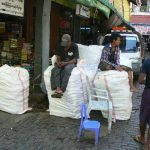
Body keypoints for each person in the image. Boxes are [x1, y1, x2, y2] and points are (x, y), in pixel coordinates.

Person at [51, 34, 79, 98]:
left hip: (71, 63)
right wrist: (58, 62)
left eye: (66, 44)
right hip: (62, 62)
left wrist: (65, 63)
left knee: (67, 69)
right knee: (55, 69)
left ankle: (62, 89)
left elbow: (74, 60)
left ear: (70, 41)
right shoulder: (60, 45)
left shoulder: (74, 46)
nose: (64, 46)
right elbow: (58, 56)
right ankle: (57, 88)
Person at [134, 59, 150, 150]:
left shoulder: (147, 62)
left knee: (143, 117)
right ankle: (147, 145)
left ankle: (142, 138)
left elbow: (140, 80)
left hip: (148, 94)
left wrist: (147, 80)